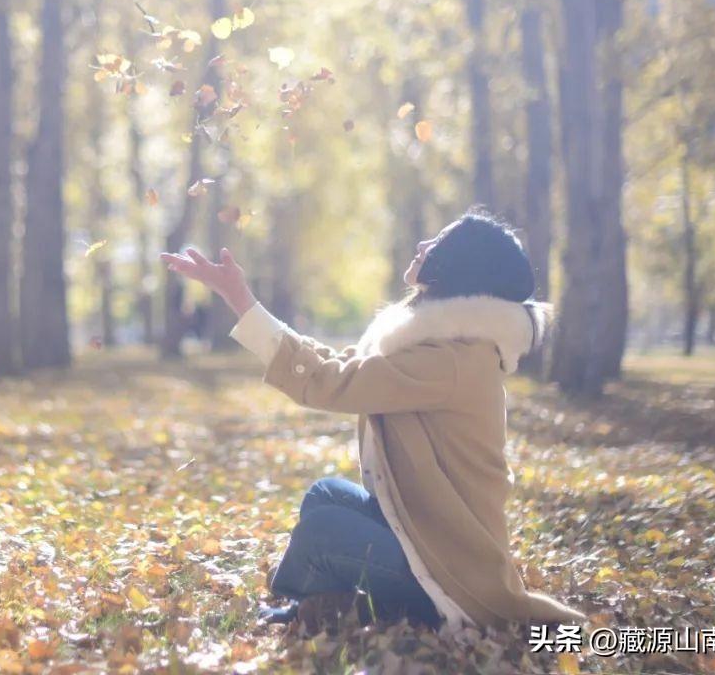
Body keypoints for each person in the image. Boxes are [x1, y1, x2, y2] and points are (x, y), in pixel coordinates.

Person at [160, 208, 589, 634]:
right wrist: (244, 305)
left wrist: (241, 300)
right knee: (325, 495)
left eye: (438, 242)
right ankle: (332, 604)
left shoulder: (452, 360)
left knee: (323, 531)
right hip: (424, 529)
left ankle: (334, 610)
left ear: (459, 264)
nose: (423, 246)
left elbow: (332, 382)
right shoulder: (445, 345)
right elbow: (346, 365)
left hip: (449, 572)